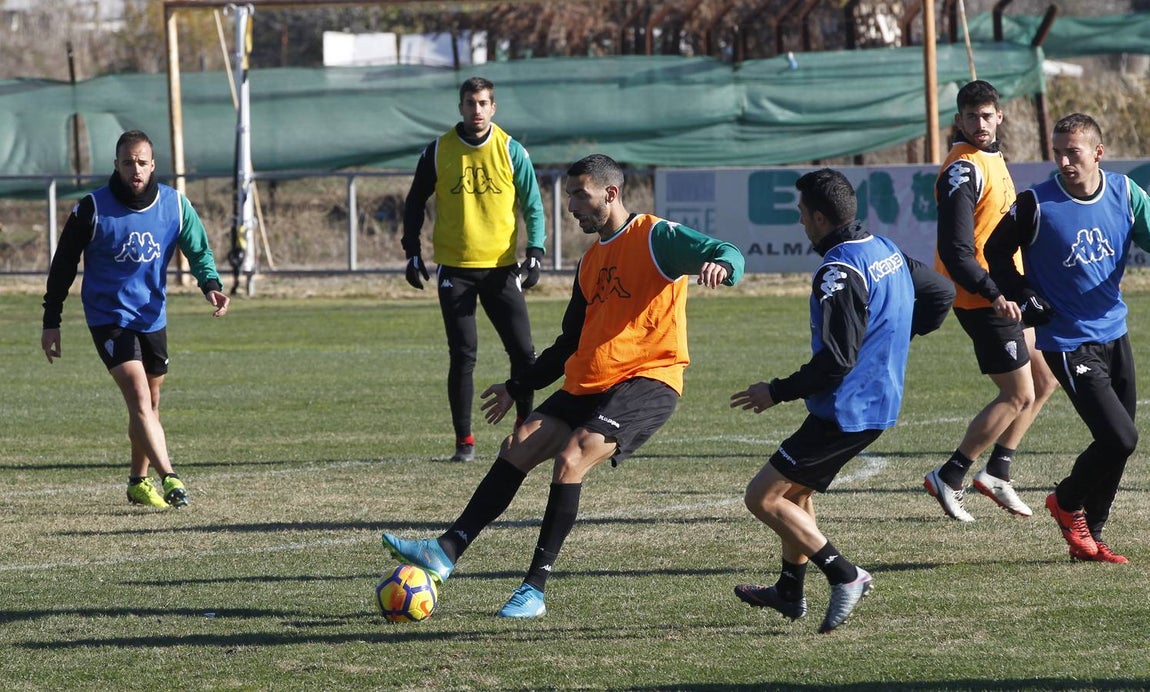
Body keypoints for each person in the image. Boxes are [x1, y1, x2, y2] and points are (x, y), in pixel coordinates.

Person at [383, 153, 745, 618]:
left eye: (579, 195)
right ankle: (446, 550)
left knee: (573, 455)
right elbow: (568, 342)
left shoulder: (656, 237)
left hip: (648, 378)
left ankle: (534, 588)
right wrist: (518, 384)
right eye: (569, 195)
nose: (571, 206)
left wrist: (723, 267)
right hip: (591, 380)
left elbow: (728, 251)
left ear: (610, 194)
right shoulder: (590, 261)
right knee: (519, 443)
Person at [731, 168, 953, 633]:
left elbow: (834, 362)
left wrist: (775, 391)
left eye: (801, 214)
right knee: (795, 494)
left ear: (818, 217)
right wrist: (894, 338)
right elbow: (941, 293)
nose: (799, 221)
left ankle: (844, 574)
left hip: (847, 409)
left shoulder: (839, 270)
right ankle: (789, 590)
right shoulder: (883, 248)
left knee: (762, 497)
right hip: (875, 400)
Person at [986, 113, 1150, 564]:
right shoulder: (1035, 203)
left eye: (1071, 152)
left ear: (1098, 153)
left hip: (1115, 333)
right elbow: (995, 251)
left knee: (1117, 446)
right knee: (1120, 438)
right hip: (1068, 341)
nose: (1062, 161)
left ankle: (1090, 538)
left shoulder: (1125, 193)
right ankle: (1065, 501)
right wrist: (1021, 293)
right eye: (1056, 152)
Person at [41, 129, 230, 509]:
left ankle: (137, 482)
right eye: (128, 162)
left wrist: (210, 284)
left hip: (152, 315)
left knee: (150, 404)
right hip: (108, 317)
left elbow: (198, 250)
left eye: (142, 162)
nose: (135, 169)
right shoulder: (92, 208)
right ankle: (170, 476)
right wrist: (52, 319)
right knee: (139, 396)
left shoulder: (175, 206)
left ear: (153, 164)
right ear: (116, 165)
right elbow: (63, 264)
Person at [925, 79, 1058, 522]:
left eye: (986, 116)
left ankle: (997, 471)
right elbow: (956, 251)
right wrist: (994, 293)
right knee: (1017, 394)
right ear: (958, 120)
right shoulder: (962, 170)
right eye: (971, 117)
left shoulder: (991, 156)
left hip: (1006, 293)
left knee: (1044, 381)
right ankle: (950, 475)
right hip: (982, 298)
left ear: (999, 116)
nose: (979, 124)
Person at [402, 76, 547, 462]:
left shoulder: (512, 150)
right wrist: (411, 250)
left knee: (524, 354)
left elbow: (533, 205)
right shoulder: (438, 151)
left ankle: (525, 429)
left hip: (502, 268)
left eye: (483, 103)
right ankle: (464, 442)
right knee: (463, 355)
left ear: (493, 107)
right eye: (470, 103)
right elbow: (415, 202)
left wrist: (536, 250)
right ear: (461, 107)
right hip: (456, 270)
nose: (477, 110)